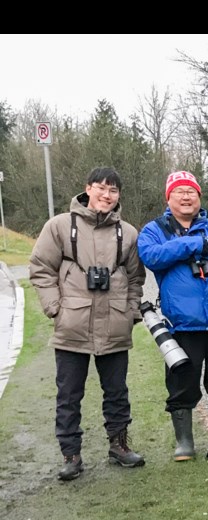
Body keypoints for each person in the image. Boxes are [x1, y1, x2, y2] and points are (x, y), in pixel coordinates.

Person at [29, 167, 146, 480]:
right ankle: (71, 455)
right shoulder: (60, 226)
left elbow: (136, 278)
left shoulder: (129, 233)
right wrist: (55, 308)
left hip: (114, 323)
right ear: (87, 189)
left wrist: (131, 310)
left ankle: (119, 446)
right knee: (69, 394)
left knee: (117, 391)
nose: (107, 195)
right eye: (102, 188)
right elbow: (41, 269)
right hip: (72, 325)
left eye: (114, 190)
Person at [138, 170, 208, 461]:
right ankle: (184, 441)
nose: (186, 197)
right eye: (180, 191)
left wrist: (206, 246)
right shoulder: (154, 229)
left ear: (199, 197)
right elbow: (152, 256)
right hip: (182, 323)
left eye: (192, 192)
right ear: (169, 197)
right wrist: (193, 244)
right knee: (182, 381)